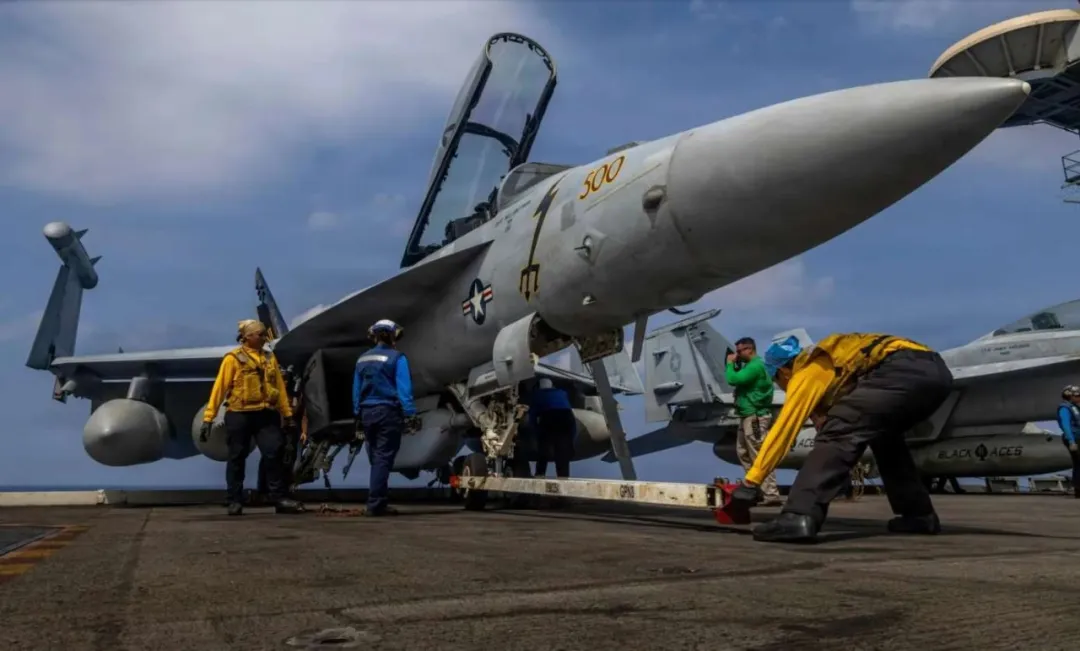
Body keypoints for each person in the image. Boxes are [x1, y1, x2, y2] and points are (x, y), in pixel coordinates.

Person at [730, 332, 953, 543]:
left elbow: (784, 430)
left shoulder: (807, 369)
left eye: (776, 379)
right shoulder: (834, 361)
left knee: (839, 430)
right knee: (886, 438)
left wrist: (751, 482)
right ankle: (918, 515)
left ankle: (799, 515)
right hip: (936, 373)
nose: (781, 386)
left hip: (899, 370)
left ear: (783, 371)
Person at [201, 319, 303, 516]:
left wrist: (287, 414)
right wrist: (209, 418)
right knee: (237, 457)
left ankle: (278, 498)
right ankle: (234, 500)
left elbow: (279, 388)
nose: (264, 338)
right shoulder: (233, 359)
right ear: (247, 337)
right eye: (260, 334)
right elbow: (219, 388)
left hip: (266, 414)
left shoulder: (269, 357)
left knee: (274, 453)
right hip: (239, 413)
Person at [353, 318, 416, 516]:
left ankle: (378, 500)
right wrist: (410, 413)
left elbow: (356, 390)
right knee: (383, 458)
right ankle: (376, 504)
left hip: (367, 413)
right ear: (392, 336)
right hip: (388, 412)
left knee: (376, 457)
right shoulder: (397, 358)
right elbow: (404, 389)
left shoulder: (362, 359)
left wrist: (357, 413)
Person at [725, 337, 781, 506]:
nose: (737, 355)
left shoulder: (755, 366)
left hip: (755, 417)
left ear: (749, 349)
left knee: (759, 455)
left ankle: (770, 494)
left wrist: (729, 365)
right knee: (743, 452)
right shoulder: (751, 366)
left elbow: (733, 380)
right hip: (747, 416)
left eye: (740, 351)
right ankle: (755, 488)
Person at [530, 378, 577, 478]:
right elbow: (572, 419)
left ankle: (540, 474)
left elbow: (532, 415)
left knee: (544, 449)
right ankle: (563, 477)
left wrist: (536, 432)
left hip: (550, 417)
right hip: (566, 418)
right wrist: (571, 438)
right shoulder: (562, 393)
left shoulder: (537, 395)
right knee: (562, 453)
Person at [1055, 385, 1080, 499]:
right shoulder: (1064, 409)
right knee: (1079, 463)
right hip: (1074, 438)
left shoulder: (1075, 407)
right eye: (1077, 396)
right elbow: (1066, 425)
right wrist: (1071, 441)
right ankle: (1078, 489)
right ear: (1070, 396)